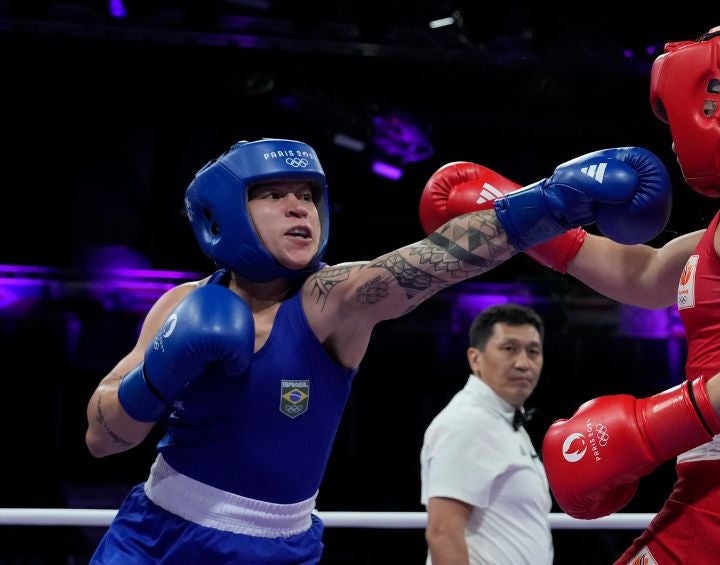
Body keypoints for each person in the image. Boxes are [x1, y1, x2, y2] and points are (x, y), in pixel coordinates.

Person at [419, 15, 720, 564]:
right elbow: (642, 274)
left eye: (673, 109)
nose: (671, 132)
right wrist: (517, 213)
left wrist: (648, 429)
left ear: (715, 92)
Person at [83, 137, 673, 563]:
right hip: (151, 533)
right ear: (224, 217)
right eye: (273, 195)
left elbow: (429, 261)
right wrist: (159, 373)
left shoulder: (329, 300)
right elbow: (104, 436)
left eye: (307, 195)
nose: (299, 207)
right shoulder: (183, 303)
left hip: (276, 549)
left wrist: (553, 201)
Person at [420, 303, 551, 565]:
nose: (523, 363)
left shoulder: (505, 421)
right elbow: (443, 533)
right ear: (475, 359)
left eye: (533, 351)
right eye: (509, 349)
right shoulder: (467, 422)